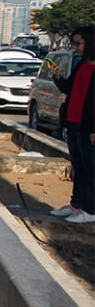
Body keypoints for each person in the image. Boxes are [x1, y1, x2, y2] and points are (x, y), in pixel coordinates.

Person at [47, 25, 95, 223]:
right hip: (73, 124)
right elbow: (69, 89)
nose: (75, 48)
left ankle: (90, 209)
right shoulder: (80, 65)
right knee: (78, 166)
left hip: (88, 128)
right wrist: (57, 76)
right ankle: (76, 204)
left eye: (78, 44)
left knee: (90, 168)